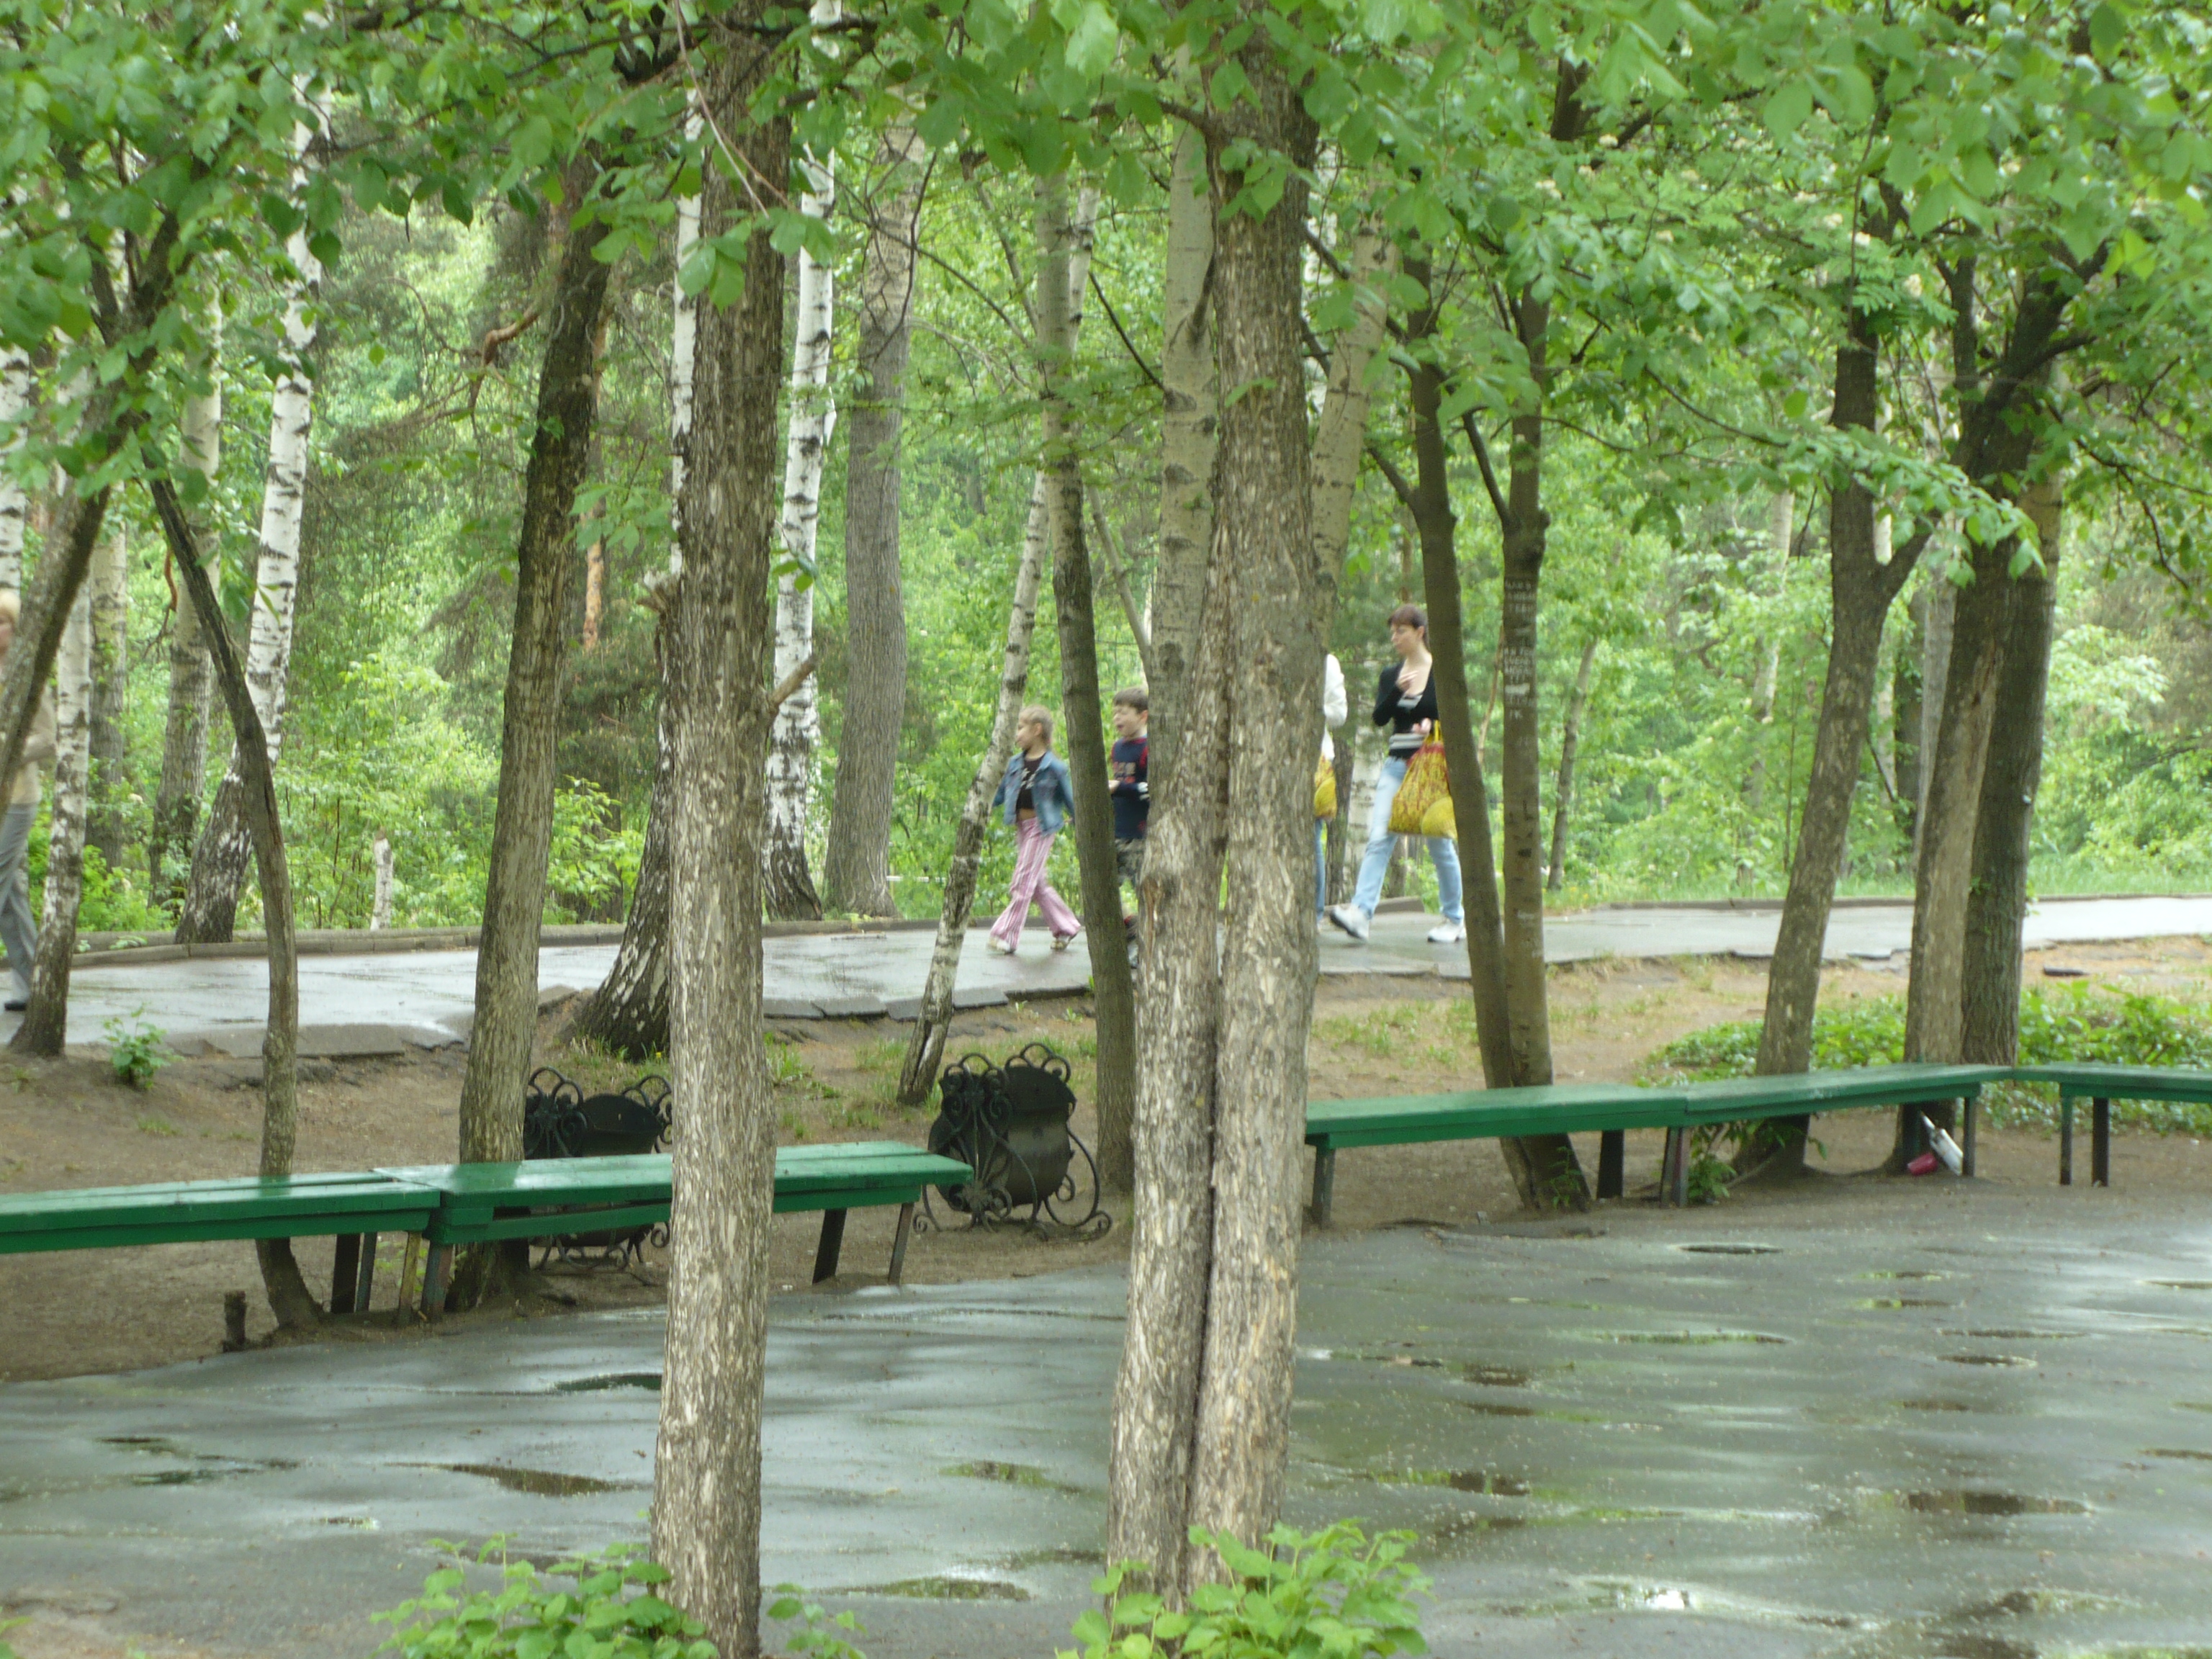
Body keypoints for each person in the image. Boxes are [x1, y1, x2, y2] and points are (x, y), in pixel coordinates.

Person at [1326, 603, 1465, 946]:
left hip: (1430, 770)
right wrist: (1397, 692)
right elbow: (1379, 718)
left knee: (1439, 843)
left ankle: (1455, 918)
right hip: (1396, 765)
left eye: (1401, 631)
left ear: (1420, 632)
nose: (1395, 638)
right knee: (1379, 837)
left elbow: (1453, 715)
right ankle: (1361, 913)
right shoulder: (1391, 675)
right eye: (1392, 632)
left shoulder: (1441, 672)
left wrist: (1431, 724)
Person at [0, 592, 55, 1012]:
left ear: (16, 629)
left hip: (18, 799)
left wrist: (8, 749)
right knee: (12, 896)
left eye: (2, 623)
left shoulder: (29, 676)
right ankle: (33, 983)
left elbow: (49, 739)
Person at [988, 705, 1081, 955]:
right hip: (1021, 827)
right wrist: (981, 805)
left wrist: (1079, 821)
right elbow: (1000, 794)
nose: (1016, 734)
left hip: (1041, 827)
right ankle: (1066, 927)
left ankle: (1006, 934)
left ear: (1037, 730)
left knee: (1022, 882)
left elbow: (1070, 799)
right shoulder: (1014, 764)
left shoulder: (1055, 767)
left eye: (1020, 728)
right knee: (1037, 884)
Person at [1108, 687, 1148, 912]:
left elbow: (1151, 790)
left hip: (1139, 835)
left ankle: (1149, 927)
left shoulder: (1147, 748)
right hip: (1116, 831)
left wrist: (1120, 787)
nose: (1117, 718)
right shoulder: (1117, 748)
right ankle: (1125, 923)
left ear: (1143, 716)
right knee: (1105, 884)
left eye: (1123, 713)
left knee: (1142, 887)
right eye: (1115, 713)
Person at [1314, 651, 1345, 919]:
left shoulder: (1326, 661)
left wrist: (1311, 708)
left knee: (1311, 835)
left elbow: (1339, 714)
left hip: (1316, 758)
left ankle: (1314, 912)